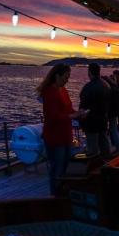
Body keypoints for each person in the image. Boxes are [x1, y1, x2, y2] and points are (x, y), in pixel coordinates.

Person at [37, 64, 86, 195]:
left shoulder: (63, 90)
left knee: (66, 166)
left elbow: (68, 109)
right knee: (57, 169)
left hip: (66, 135)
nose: (67, 80)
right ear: (57, 76)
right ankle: (56, 195)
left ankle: (63, 193)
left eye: (68, 77)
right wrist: (72, 116)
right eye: (66, 77)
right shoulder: (49, 92)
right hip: (54, 137)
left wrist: (78, 113)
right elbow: (52, 116)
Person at [79, 63, 111, 157]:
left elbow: (83, 105)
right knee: (104, 143)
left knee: (93, 148)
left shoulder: (88, 87)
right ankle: (106, 163)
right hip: (103, 120)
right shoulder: (106, 85)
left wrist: (81, 119)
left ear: (89, 72)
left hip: (91, 122)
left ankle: (93, 167)